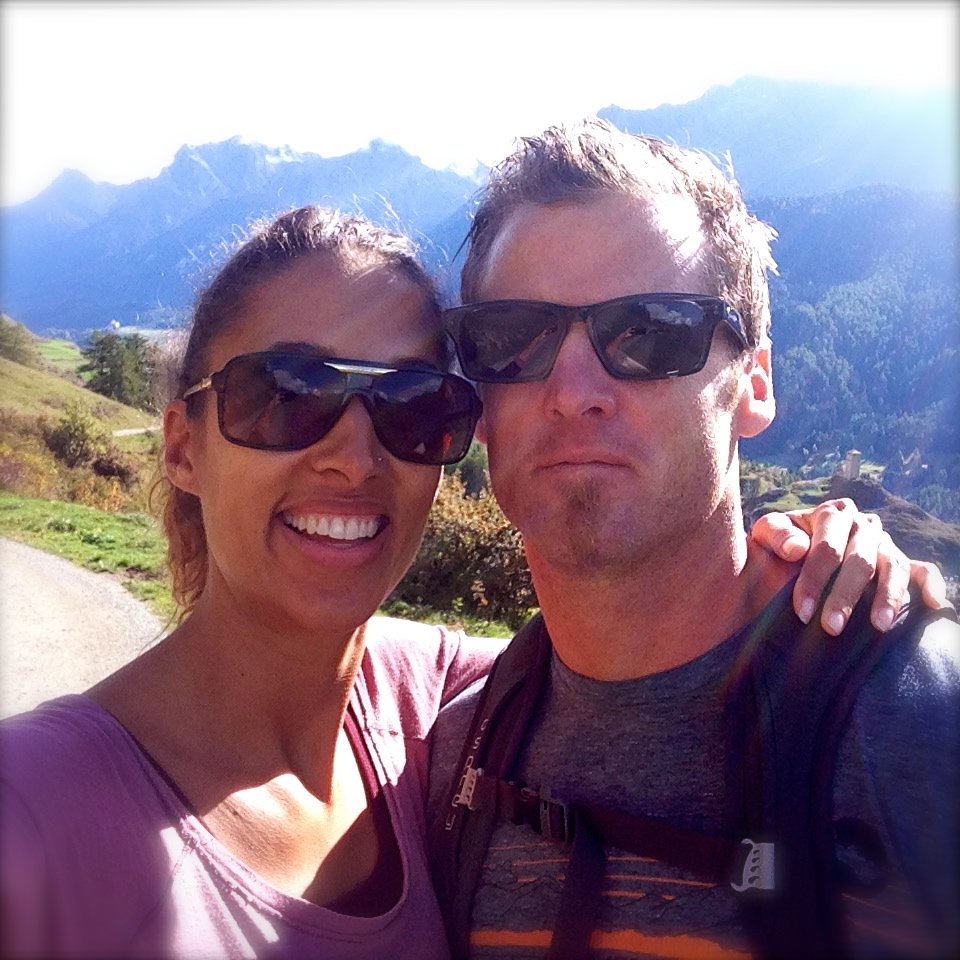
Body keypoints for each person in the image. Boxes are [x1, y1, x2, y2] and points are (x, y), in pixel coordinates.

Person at [0, 203, 941, 960]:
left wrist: (822, 570)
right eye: (288, 395)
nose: (353, 457)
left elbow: (635, 641)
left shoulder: (448, 708)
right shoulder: (32, 812)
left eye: (414, 405)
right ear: (181, 446)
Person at [428, 120, 959, 959]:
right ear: (481, 402)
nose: (572, 390)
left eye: (648, 333)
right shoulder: (458, 762)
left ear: (754, 385)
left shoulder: (920, 721)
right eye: (514, 339)